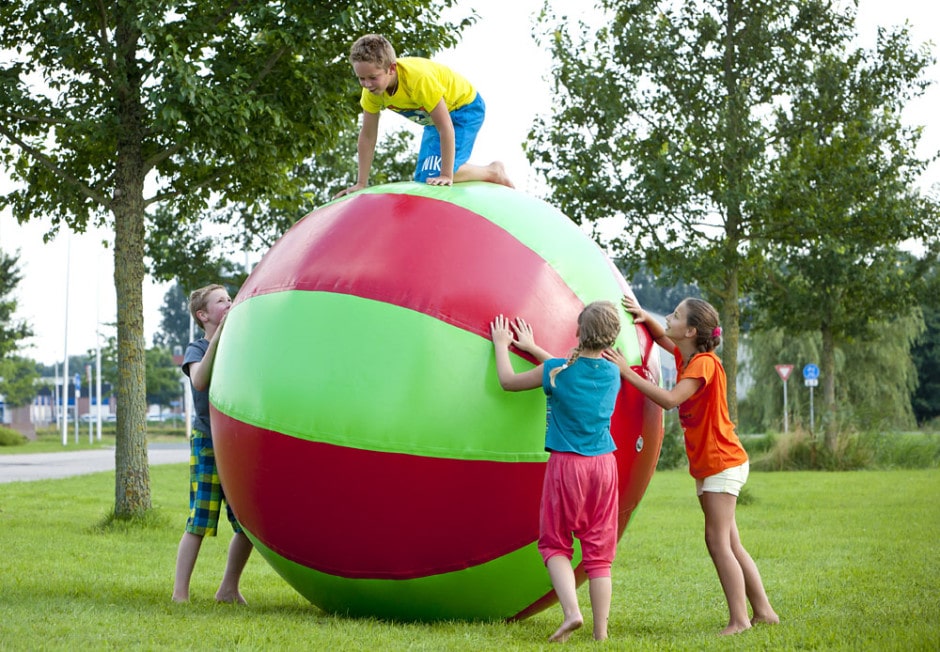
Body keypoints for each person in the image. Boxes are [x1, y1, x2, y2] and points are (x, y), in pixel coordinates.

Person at [603, 296, 779, 636]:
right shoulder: (689, 357)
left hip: (720, 462)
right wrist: (644, 318)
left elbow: (669, 400)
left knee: (717, 542)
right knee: (730, 542)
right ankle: (764, 612)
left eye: (676, 315)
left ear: (692, 330)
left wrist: (626, 372)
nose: (668, 317)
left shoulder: (703, 364)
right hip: (713, 462)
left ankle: (740, 620)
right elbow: (662, 338)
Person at [490, 302, 622, 642]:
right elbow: (574, 371)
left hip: (568, 467)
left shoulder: (556, 371)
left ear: (578, 332)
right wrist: (533, 347)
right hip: (605, 467)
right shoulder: (613, 372)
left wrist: (502, 346)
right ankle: (601, 635)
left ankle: (571, 612)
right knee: (599, 554)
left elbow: (508, 381)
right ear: (610, 340)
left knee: (555, 545)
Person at [334, 33, 513, 197]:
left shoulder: (418, 80)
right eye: (361, 78)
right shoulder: (372, 93)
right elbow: (368, 135)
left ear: (392, 68)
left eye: (373, 77)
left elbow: (446, 127)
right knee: (423, 179)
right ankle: (457, 172)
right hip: (434, 120)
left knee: (435, 175)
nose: (367, 84)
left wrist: (446, 175)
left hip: (464, 108)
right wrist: (361, 183)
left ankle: (493, 172)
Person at [172, 284, 253, 604]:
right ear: (203, 315)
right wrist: (218, 336)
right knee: (200, 519)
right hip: (208, 442)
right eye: (221, 301)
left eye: (230, 298)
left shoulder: (239, 346)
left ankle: (228, 589)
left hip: (236, 444)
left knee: (247, 522)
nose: (229, 303)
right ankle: (180, 594)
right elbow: (200, 380)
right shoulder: (197, 348)